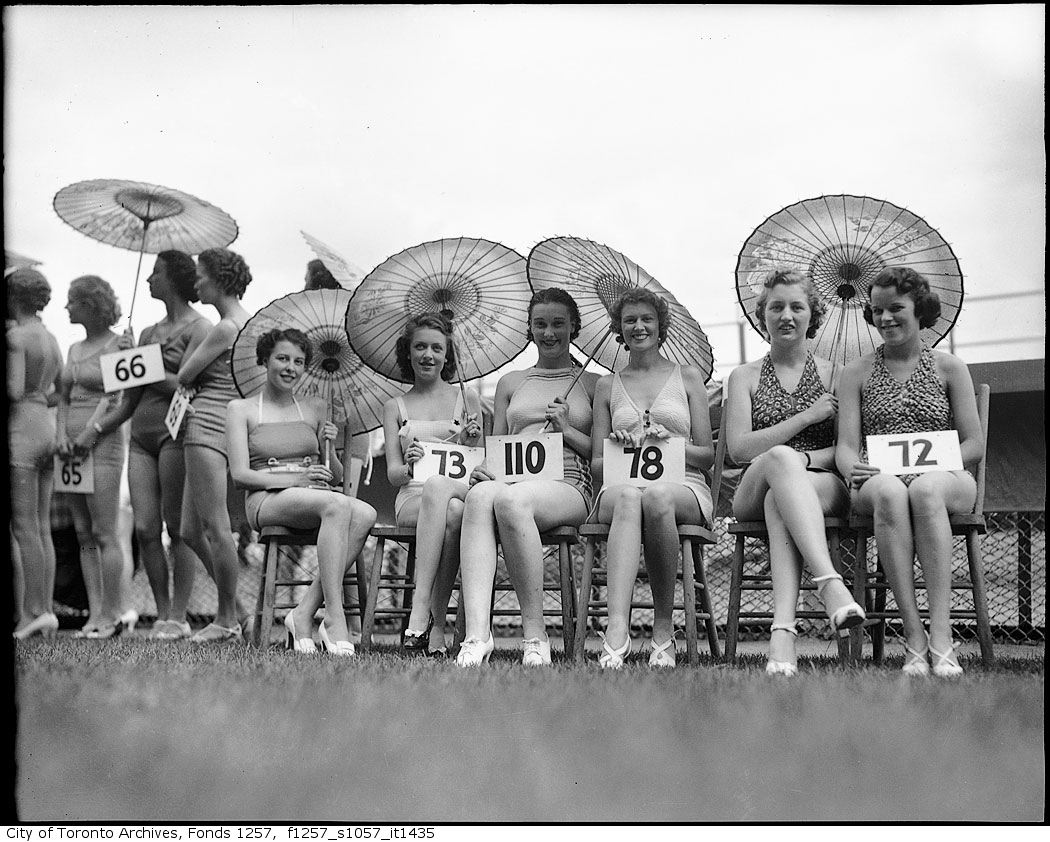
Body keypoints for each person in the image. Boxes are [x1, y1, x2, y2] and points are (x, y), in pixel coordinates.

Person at [837, 267, 982, 678]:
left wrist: (934, 464)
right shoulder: (857, 372)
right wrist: (854, 468)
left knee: (924, 491)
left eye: (896, 308)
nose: (885, 318)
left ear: (920, 310)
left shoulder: (951, 367)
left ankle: (941, 633)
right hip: (878, 480)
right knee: (889, 492)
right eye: (877, 310)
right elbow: (847, 447)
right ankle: (913, 635)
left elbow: (974, 443)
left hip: (945, 479)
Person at [726, 269, 866, 675]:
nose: (786, 315)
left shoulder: (837, 375)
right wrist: (806, 417)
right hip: (754, 481)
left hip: (821, 481)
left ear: (812, 314)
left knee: (781, 494)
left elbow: (845, 449)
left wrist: (801, 461)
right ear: (762, 315)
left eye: (796, 306)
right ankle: (829, 583)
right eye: (776, 307)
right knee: (778, 462)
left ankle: (783, 634)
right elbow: (739, 449)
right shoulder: (744, 376)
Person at [456, 288, 599, 667]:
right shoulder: (511, 382)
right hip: (513, 479)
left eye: (558, 324)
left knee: (509, 500)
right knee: (481, 496)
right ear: (530, 329)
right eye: (540, 324)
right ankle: (476, 636)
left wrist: (567, 430)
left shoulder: (592, 383)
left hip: (569, 484)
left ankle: (535, 635)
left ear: (574, 327)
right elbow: (498, 445)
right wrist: (484, 468)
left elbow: (602, 456)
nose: (549, 333)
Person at [227, 328, 377, 655]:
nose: (290, 367)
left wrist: (331, 449)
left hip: (312, 496)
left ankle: (303, 612)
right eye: (282, 358)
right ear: (264, 359)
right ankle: (334, 618)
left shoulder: (314, 408)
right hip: (265, 498)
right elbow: (240, 475)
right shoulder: (242, 409)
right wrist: (294, 481)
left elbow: (335, 475)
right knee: (337, 507)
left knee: (366, 513)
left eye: (298, 361)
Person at [589, 288, 715, 668]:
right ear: (619, 329)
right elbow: (597, 464)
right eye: (630, 320)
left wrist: (672, 443)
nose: (639, 326)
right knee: (630, 496)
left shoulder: (688, 378)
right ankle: (616, 628)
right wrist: (620, 444)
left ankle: (664, 628)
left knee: (657, 496)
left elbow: (707, 456)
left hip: (683, 486)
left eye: (647, 319)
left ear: (661, 327)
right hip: (621, 486)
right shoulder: (606, 386)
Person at [91, 251, 210, 639]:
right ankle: (162, 613)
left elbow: (184, 384)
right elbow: (129, 397)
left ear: (173, 279)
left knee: (177, 528)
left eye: (155, 273)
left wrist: (144, 365)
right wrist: (95, 429)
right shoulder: (145, 333)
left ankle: (179, 614)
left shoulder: (200, 328)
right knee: (144, 530)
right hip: (140, 438)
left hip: (175, 435)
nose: (148, 281)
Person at [382, 313, 483, 656]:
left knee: (447, 494)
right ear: (407, 353)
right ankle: (437, 623)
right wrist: (408, 463)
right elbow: (393, 475)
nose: (428, 354)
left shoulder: (467, 400)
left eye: (436, 348)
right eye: (420, 347)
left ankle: (420, 608)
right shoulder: (393, 406)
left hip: (458, 489)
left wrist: (472, 438)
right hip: (413, 497)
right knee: (451, 511)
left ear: (447, 355)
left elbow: (481, 463)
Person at [177, 248, 252, 642]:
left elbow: (185, 375)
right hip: (222, 425)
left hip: (207, 423)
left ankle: (226, 620)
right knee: (190, 529)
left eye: (201, 276)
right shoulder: (247, 323)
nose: (196, 283)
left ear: (220, 279)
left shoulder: (222, 328)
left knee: (216, 526)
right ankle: (235, 608)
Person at [55, 276, 132, 638]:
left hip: (103, 444)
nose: (66, 307)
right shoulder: (72, 349)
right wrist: (61, 437)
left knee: (104, 530)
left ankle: (112, 613)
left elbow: (117, 396)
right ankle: (94, 613)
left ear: (90, 304)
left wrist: (89, 434)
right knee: (82, 531)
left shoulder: (120, 344)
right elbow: (64, 399)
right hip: (69, 448)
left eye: (72, 301)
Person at [8, 268, 63, 639]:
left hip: (22, 431)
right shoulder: (52, 338)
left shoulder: (15, 337)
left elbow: (12, 391)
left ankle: (32, 613)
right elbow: (58, 391)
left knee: (23, 527)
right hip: (46, 423)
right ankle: (45, 611)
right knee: (42, 526)